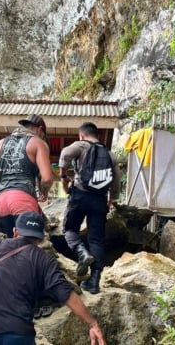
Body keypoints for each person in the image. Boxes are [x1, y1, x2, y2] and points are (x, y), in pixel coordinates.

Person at [0, 211, 106, 345]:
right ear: (40, 239)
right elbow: (65, 293)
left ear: (15, 231)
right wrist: (92, 323)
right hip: (20, 334)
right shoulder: (45, 260)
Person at [58, 122, 121, 294]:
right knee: (96, 239)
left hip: (80, 195)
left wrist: (64, 177)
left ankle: (82, 254)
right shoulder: (109, 154)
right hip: (100, 200)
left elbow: (65, 153)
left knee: (70, 229)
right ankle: (94, 282)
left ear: (82, 135)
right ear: (98, 135)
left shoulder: (81, 145)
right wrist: (111, 200)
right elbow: (116, 180)